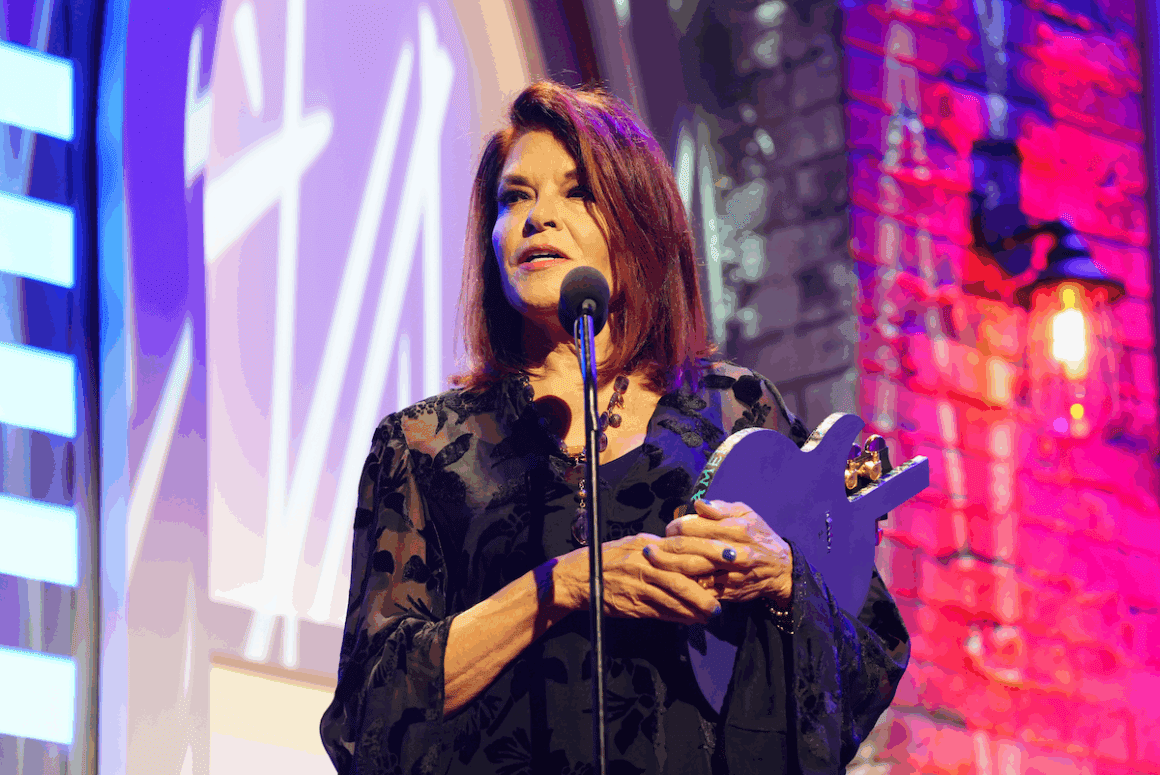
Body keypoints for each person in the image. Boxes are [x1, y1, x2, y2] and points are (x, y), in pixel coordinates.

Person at [320, 81, 909, 775]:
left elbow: (867, 652)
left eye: (576, 191)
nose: (538, 217)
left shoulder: (735, 414)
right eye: (514, 197)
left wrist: (783, 577)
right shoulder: (424, 448)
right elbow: (371, 711)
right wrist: (568, 583)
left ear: (638, 220)